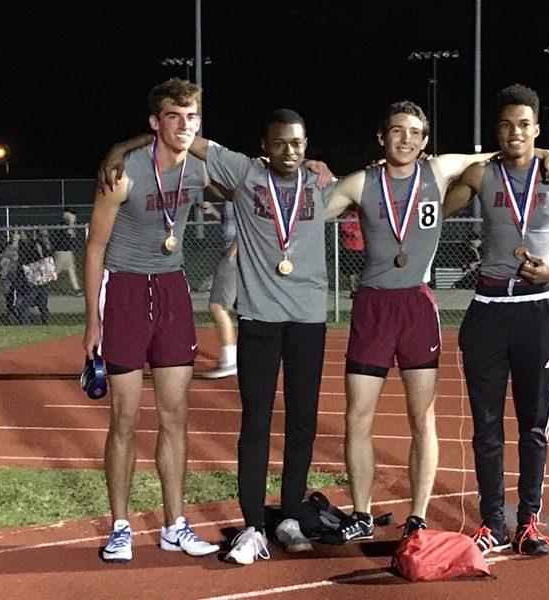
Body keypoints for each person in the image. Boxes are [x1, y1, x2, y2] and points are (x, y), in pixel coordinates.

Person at [98, 109, 335, 565]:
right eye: (281, 142)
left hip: (307, 319)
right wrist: (119, 147)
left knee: (303, 419)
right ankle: (253, 524)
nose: (291, 150)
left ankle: (288, 516)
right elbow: (181, 138)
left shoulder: (321, 183)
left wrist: (322, 166)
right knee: (256, 422)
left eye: (299, 143)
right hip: (258, 318)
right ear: (262, 145)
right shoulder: (243, 171)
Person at [321, 101, 549, 543]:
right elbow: (312, 213)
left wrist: (546, 152)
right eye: (397, 131)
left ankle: (417, 515)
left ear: (425, 140)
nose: (406, 140)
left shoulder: (438, 170)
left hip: (417, 306)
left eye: (415, 132)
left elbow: (506, 150)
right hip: (373, 305)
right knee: (357, 416)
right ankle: (360, 512)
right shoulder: (360, 182)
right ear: (382, 137)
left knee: (423, 418)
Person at [443, 84, 549, 557]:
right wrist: (485, 157)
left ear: (537, 128)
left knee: (534, 426)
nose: (515, 133)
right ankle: (491, 523)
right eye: (506, 125)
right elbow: (439, 192)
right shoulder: (482, 176)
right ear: (496, 131)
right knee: (486, 426)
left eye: (524, 125)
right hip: (487, 310)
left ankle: (528, 522)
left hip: (537, 309)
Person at [84, 78, 219, 564]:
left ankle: (173, 524)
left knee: (175, 417)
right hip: (122, 290)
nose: (184, 125)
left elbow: (253, 180)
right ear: (154, 122)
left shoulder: (203, 170)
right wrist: (92, 322)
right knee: (123, 417)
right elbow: (95, 246)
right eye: (173, 116)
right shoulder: (123, 173)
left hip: (172, 289)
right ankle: (120, 525)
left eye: (191, 117)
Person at [201, 195, 239, 379]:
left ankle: (230, 360)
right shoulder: (232, 195)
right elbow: (232, 222)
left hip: (236, 254)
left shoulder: (242, 189)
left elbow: (254, 221)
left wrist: (235, 249)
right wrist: (215, 213)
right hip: (237, 252)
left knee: (217, 305)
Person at [12, 229, 54, 325]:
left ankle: (25, 322)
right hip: (40, 277)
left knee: (28, 303)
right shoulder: (37, 245)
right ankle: (45, 321)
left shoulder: (27, 246)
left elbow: (22, 262)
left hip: (34, 277)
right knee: (41, 303)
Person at [51, 210, 83, 295]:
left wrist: (72, 223)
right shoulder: (63, 224)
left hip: (68, 251)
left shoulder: (69, 225)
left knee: (71, 270)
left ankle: (76, 288)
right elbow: (68, 234)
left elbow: (72, 235)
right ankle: (43, 284)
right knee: (55, 271)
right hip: (61, 251)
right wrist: (71, 222)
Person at [339, 209, 364, 295]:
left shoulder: (363, 215)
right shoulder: (350, 216)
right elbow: (344, 227)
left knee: (362, 269)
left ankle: (361, 287)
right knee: (352, 271)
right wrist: (354, 232)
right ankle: (353, 289)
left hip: (362, 246)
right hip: (351, 247)